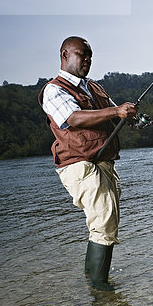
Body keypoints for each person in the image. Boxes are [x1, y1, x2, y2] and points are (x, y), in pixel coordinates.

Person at [39, 36, 137, 291]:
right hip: (78, 165)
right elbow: (74, 118)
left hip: (103, 162)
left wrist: (130, 117)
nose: (87, 60)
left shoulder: (94, 87)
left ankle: (90, 279)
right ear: (65, 55)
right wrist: (116, 112)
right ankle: (100, 288)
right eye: (82, 54)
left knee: (105, 221)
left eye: (90, 55)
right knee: (103, 219)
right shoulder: (54, 89)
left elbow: (114, 114)